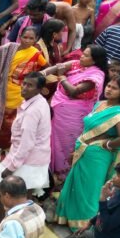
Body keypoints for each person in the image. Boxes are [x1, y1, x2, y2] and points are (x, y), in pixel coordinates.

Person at [55, 75, 120, 229]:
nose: (109, 89)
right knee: (75, 186)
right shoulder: (100, 104)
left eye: (114, 88)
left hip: (98, 155)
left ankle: (85, 227)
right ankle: (69, 218)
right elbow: (88, 129)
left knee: (89, 191)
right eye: (109, 86)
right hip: (83, 150)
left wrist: (107, 144)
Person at [0, 72, 51, 217]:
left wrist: (11, 168)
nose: (24, 88)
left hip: (28, 160)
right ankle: (2, 221)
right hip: (32, 157)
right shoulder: (38, 101)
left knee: (4, 190)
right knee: (19, 197)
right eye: (24, 83)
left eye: (30, 85)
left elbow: (27, 144)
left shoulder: (33, 111)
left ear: (39, 90)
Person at [46, 45, 109, 181]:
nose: (81, 57)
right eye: (83, 53)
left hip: (74, 116)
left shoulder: (95, 75)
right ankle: (52, 176)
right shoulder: (77, 64)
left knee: (67, 143)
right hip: (59, 111)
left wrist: (62, 77)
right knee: (53, 140)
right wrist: (41, 74)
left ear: (94, 61)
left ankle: (65, 177)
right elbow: (58, 67)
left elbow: (74, 91)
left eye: (86, 56)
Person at [0, 25, 47, 149]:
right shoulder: (7, 49)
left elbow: (45, 67)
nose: (27, 40)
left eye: (31, 38)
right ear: (20, 37)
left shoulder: (36, 54)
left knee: (9, 125)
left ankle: (4, 150)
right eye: (25, 37)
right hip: (1, 90)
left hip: (18, 93)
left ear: (36, 40)